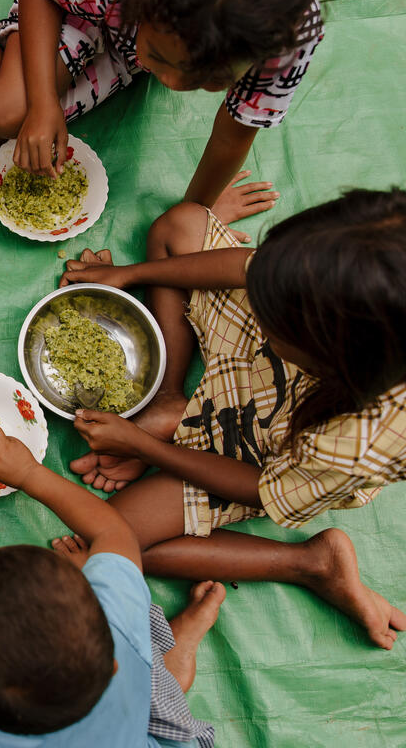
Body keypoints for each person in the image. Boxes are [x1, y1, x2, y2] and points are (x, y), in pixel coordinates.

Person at [59, 189, 406, 649]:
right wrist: (130, 274)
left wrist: (144, 447)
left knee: (108, 540)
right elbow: (247, 269)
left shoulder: (356, 443)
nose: (259, 302)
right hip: (265, 364)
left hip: (271, 451)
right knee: (177, 226)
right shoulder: (329, 271)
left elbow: (257, 485)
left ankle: (310, 563)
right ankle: (170, 401)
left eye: (273, 315)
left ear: (328, 356)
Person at [0, 419, 220, 748]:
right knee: (142, 660)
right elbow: (113, 533)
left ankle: (165, 677)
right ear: (110, 664)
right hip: (131, 725)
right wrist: (30, 474)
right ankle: (168, 675)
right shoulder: (114, 626)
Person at [0, 0, 327, 212]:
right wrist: (43, 106)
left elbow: (234, 134)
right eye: (163, 59)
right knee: (7, 114)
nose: (173, 83)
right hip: (68, 5)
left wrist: (198, 212)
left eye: (208, 81)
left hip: (125, 52)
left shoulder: (286, 36)